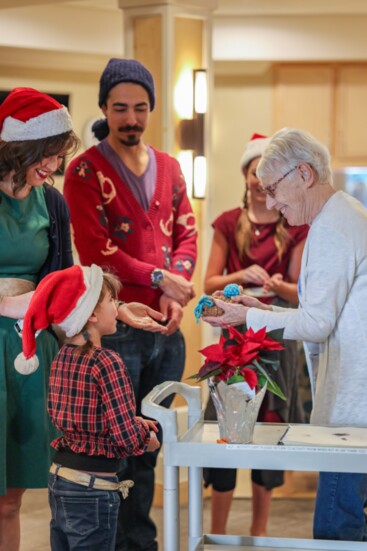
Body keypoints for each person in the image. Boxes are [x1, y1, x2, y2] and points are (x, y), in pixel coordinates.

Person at [202, 127, 367, 542]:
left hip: (354, 407)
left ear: (305, 175)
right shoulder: (341, 215)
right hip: (354, 399)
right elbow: (317, 313)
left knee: (337, 526)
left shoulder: (332, 227)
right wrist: (261, 309)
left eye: (273, 189)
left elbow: (316, 324)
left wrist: (246, 317)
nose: (271, 202)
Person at [63, 58, 197, 551]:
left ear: (151, 109)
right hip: (115, 326)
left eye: (140, 108)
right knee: (113, 447)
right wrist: (158, 276)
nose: (131, 118)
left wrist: (174, 289)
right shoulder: (82, 170)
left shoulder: (172, 167)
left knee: (151, 449)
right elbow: (98, 250)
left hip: (166, 327)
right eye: (120, 108)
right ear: (104, 108)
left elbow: (187, 232)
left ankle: (141, 542)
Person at [203, 133, 308, 536]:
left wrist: (279, 288)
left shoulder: (294, 225)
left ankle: (260, 534)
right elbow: (209, 281)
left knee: (268, 430)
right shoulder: (229, 222)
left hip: (276, 340)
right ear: (246, 175)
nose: (260, 180)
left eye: (268, 173)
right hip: (232, 337)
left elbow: (302, 292)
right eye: (253, 171)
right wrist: (238, 276)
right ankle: (217, 532)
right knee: (227, 428)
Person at [13, 264, 160, 551]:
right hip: (93, 489)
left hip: (61, 481)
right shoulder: (107, 362)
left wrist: (130, 421)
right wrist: (147, 440)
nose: (118, 307)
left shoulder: (60, 358)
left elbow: (79, 418)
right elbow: (124, 438)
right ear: (91, 314)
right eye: (111, 302)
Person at [0, 87, 79, 551]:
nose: (52, 165)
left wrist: (107, 307)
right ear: (19, 146)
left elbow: (63, 282)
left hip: (30, 353)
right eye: (47, 154)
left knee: (12, 499)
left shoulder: (52, 203)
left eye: (58, 155)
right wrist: (7, 303)